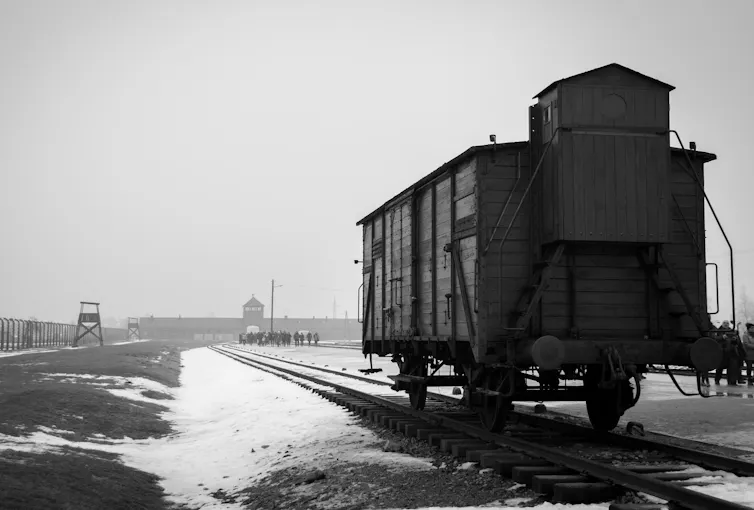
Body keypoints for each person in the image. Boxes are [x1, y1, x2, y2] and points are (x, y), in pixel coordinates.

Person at [742, 323, 754, 387]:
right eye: (751, 328)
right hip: (748, 354)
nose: (753, 329)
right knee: (749, 367)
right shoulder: (745, 335)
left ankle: (753, 379)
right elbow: (746, 344)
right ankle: (749, 379)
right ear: (748, 329)